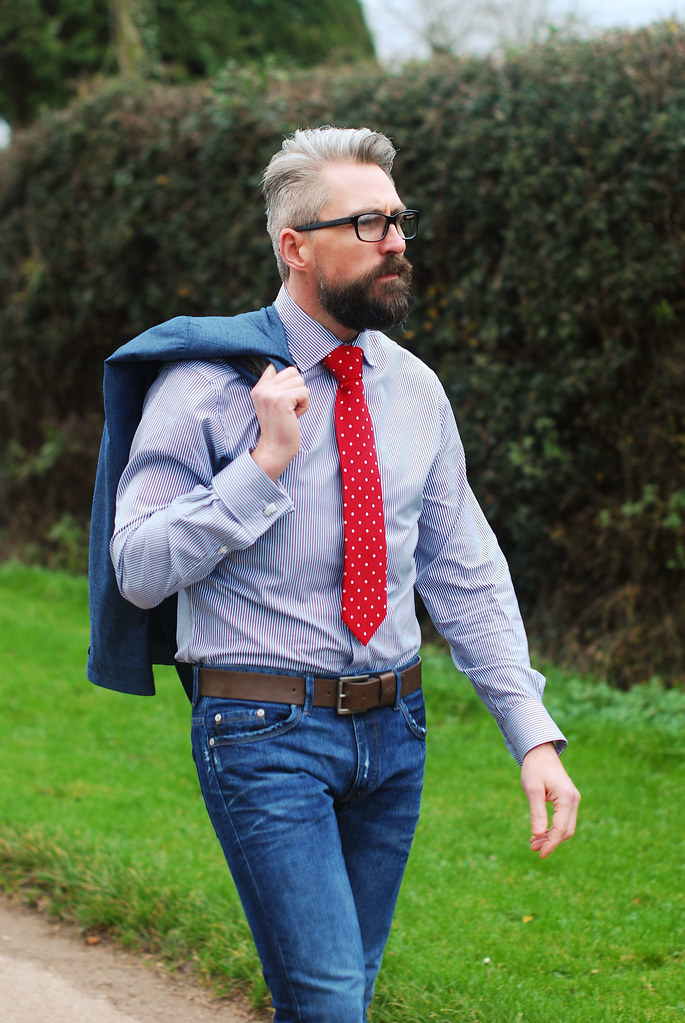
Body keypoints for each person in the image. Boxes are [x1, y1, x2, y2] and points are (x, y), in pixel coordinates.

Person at [106, 126, 580, 1023]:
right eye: (365, 223)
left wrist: (532, 734)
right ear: (295, 247)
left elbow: (462, 569)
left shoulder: (413, 389)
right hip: (262, 728)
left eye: (397, 219)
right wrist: (261, 467)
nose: (395, 240)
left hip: (395, 733)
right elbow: (135, 566)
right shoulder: (207, 382)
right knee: (329, 1004)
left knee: (335, 998)